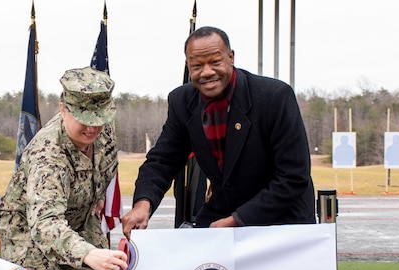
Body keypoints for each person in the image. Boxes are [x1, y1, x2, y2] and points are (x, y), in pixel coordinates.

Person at [122, 26, 315, 238]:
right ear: (188, 65)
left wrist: (239, 220)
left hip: (282, 218)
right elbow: (162, 161)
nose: (206, 72)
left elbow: (294, 177)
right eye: (197, 65)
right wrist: (143, 203)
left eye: (215, 62)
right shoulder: (181, 102)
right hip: (223, 213)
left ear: (231, 57)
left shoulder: (275, 97)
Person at [0, 67, 128, 270]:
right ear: (63, 109)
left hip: (78, 220)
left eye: (99, 119)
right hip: (29, 231)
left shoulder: (103, 130)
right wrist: (88, 253)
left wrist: (93, 195)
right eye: (84, 120)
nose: (92, 128)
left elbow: (104, 166)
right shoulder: (48, 154)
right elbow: (45, 224)